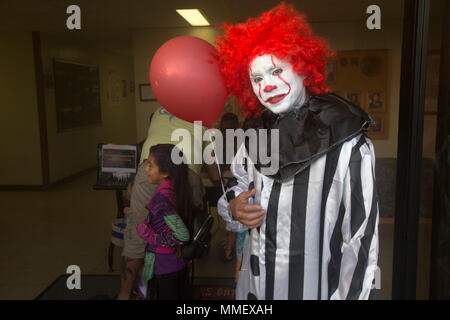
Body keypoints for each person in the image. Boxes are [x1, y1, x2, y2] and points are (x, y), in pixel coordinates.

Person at [216, 4, 379, 300]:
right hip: (254, 287)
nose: (268, 86)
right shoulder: (253, 134)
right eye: (257, 78)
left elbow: (360, 239)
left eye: (277, 70)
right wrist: (234, 208)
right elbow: (236, 182)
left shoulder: (348, 142)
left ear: (303, 68)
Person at [117, 106, 220, 300]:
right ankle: (176, 289)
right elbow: (213, 170)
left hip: (150, 168)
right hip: (187, 174)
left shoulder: (158, 110)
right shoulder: (204, 117)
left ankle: (124, 295)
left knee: (137, 235)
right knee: (180, 237)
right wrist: (220, 186)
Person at [136, 144, 192, 299]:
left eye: (150, 166)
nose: (146, 169)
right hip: (175, 262)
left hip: (164, 264)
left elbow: (182, 235)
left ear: (166, 172)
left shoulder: (162, 199)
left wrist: (152, 237)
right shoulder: (176, 189)